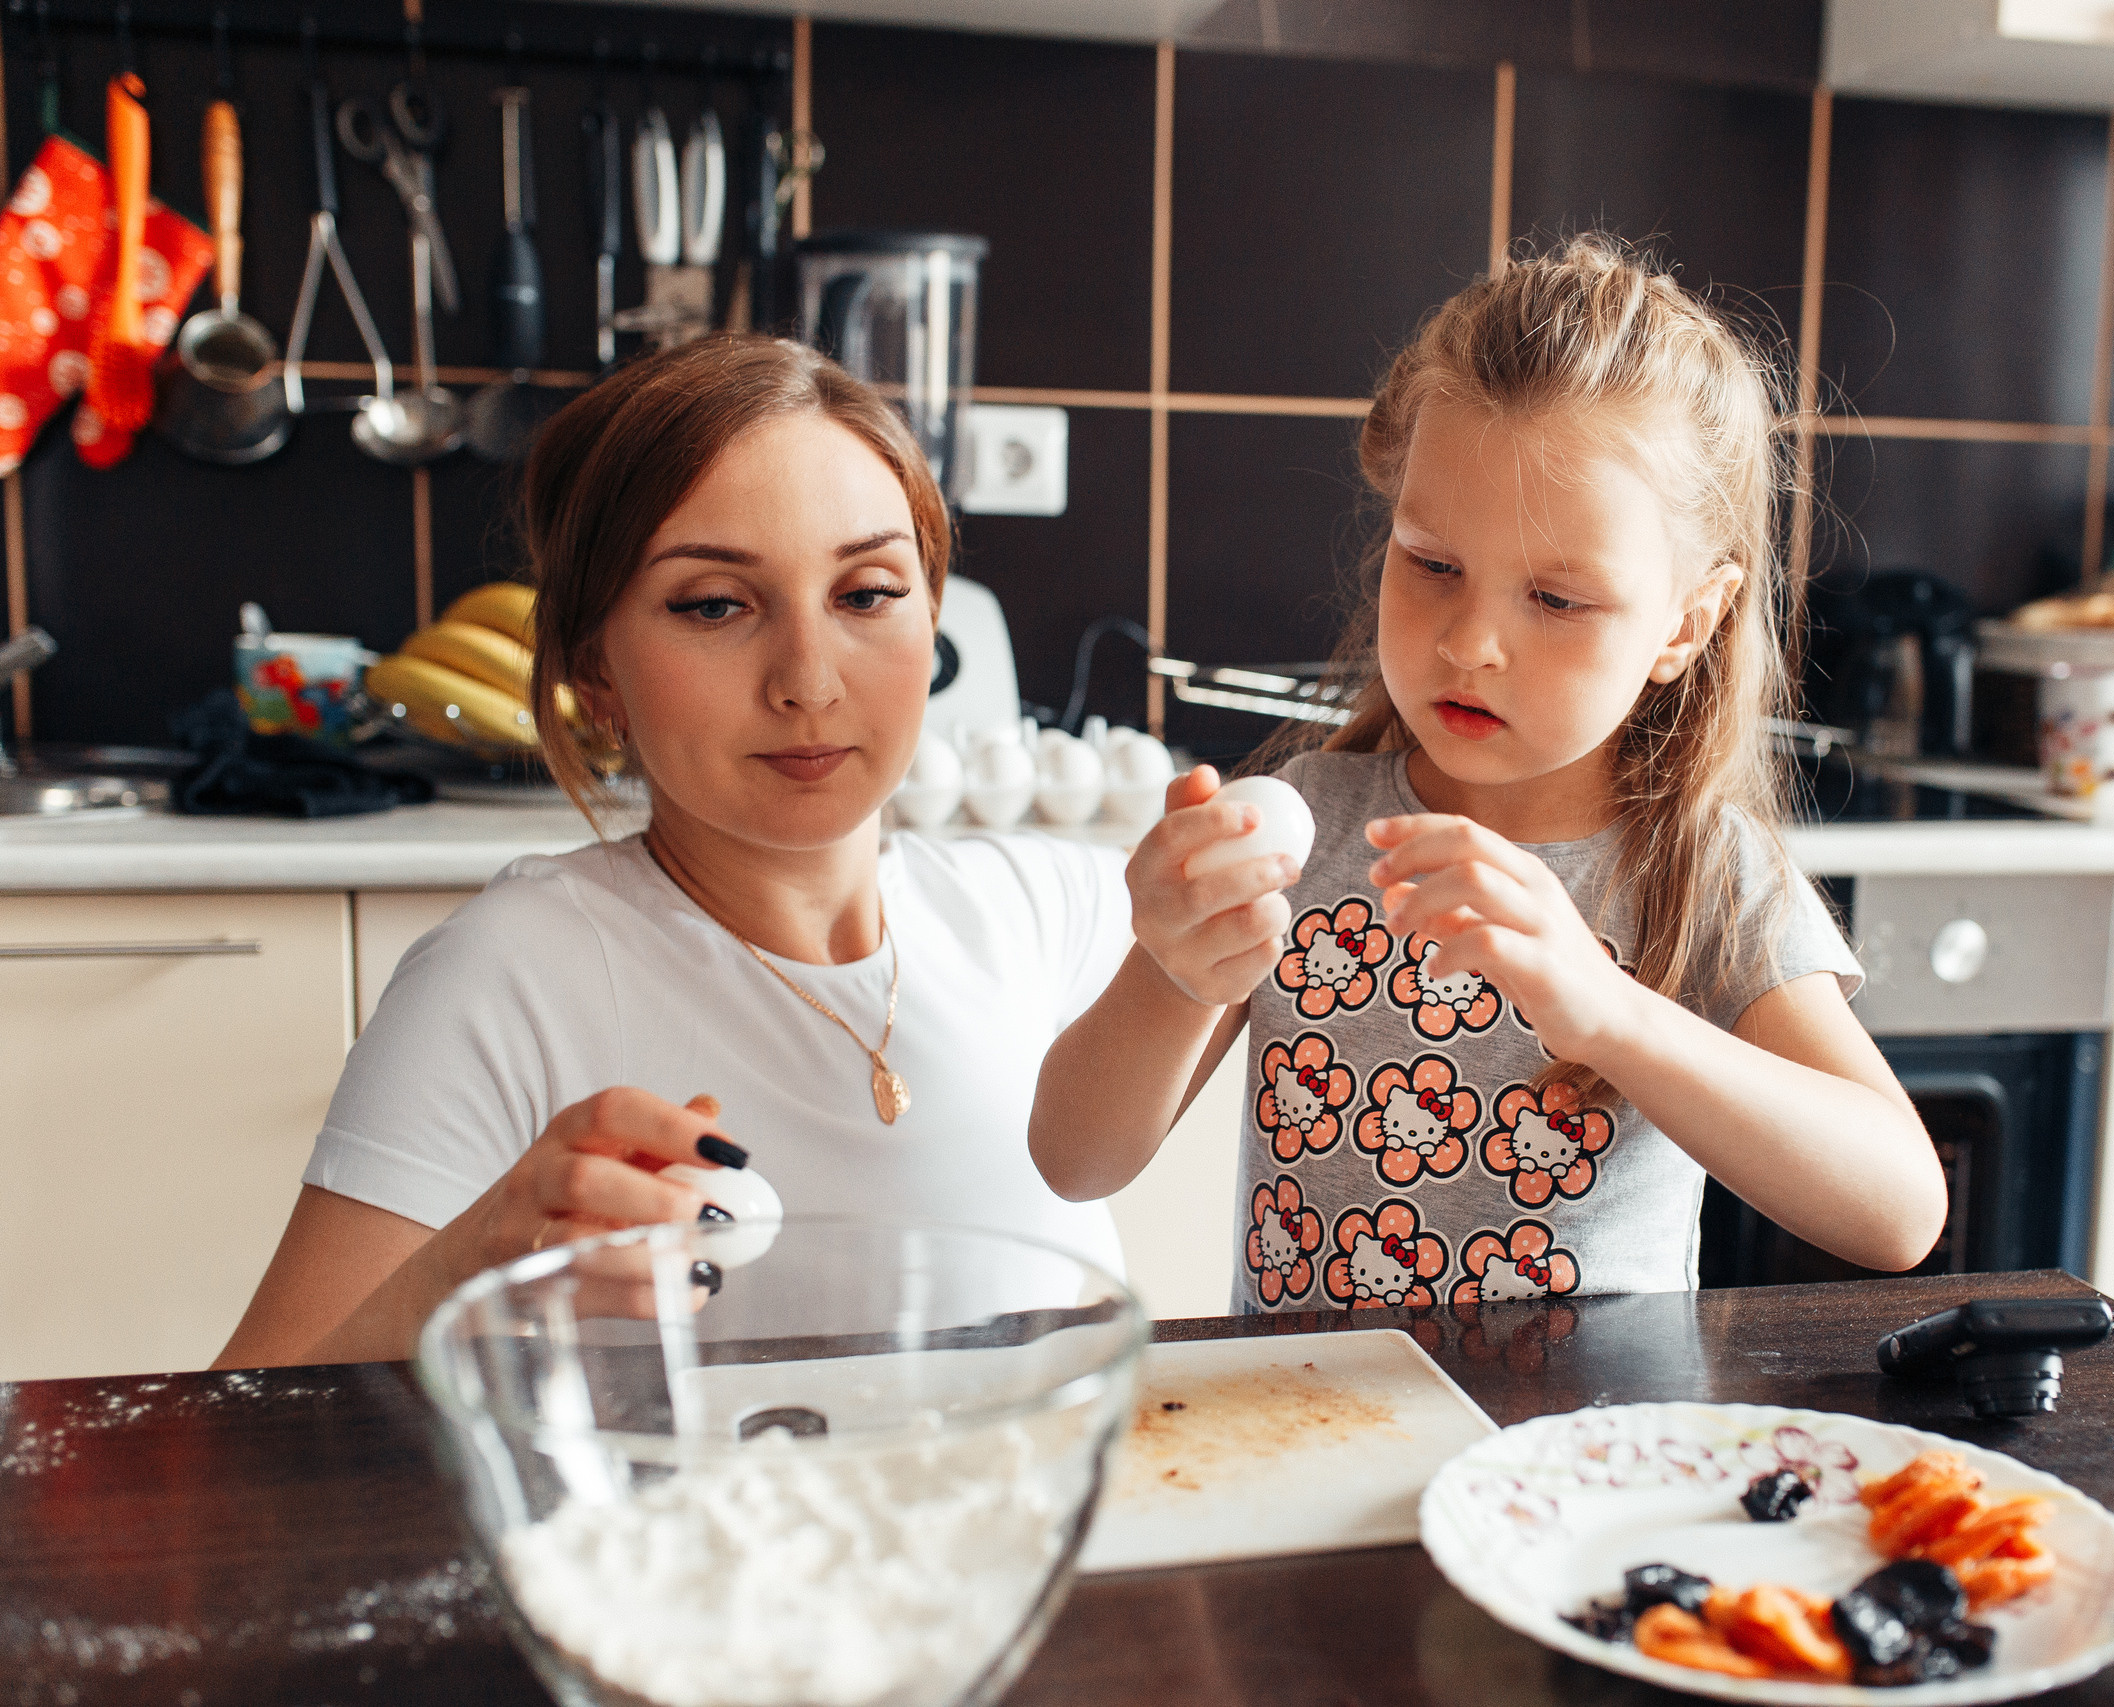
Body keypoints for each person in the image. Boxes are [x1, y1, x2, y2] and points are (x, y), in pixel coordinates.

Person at [1030, 237, 1944, 1310]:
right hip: (1311, 1440)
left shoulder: (1694, 873)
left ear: (1685, 622)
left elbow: (1897, 1212)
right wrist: (1173, 970)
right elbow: (1073, 1162)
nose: (1470, 643)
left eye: (1555, 600)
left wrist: (1605, 1010)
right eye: (1433, 566)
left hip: (1575, 1466)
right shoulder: (1313, 830)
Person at [220, 336, 1129, 1368]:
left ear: (932, 619)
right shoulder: (508, 977)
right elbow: (236, 1451)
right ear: (594, 672)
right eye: (714, 606)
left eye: (866, 593)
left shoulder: (1047, 908)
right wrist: (465, 1270)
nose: (809, 682)